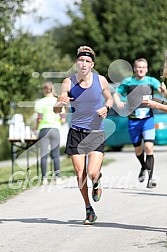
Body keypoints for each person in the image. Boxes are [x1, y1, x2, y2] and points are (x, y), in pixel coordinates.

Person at [53, 46, 113, 225]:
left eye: (87, 61)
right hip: (76, 132)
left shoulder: (100, 80)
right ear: (76, 63)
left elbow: (109, 98)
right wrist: (59, 102)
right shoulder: (68, 82)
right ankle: (89, 209)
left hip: (95, 132)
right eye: (81, 60)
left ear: (92, 64)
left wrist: (106, 108)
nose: (84, 64)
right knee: (80, 175)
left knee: (92, 173)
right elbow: (57, 109)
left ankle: (97, 180)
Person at [113, 58, 166, 189]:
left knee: (149, 148)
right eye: (138, 67)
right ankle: (143, 166)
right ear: (134, 68)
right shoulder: (128, 82)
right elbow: (116, 94)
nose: (141, 69)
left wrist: (164, 90)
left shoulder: (151, 81)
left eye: (143, 67)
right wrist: (118, 102)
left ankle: (150, 178)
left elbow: (163, 92)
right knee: (138, 150)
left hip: (148, 119)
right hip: (133, 120)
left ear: (146, 69)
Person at [35, 81, 63, 186]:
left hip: (44, 129)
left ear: (44, 90)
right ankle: (57, 178)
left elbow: (39, 118)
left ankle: (44, 179)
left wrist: (35, 127)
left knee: (44, 155)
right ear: (53, 89)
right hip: (55, 129)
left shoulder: (40, 102)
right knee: (55, 155)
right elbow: (63, 118)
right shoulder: (58, 101)